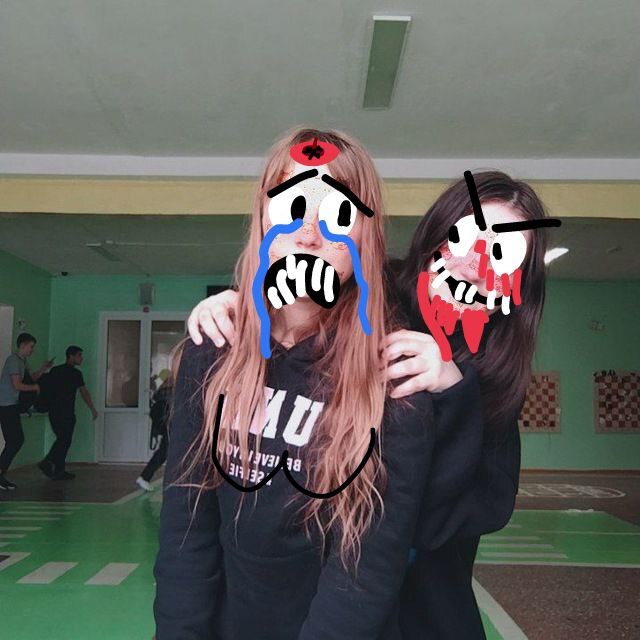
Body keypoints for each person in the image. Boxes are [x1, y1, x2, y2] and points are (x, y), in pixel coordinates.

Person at [186, 169, 554, 638]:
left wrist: (452, 391)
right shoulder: (368, 296)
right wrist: (236, 304)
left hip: (421, 616)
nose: (476, 261)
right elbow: (298, 293)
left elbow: (454, 516)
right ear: (437, 234)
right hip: (312, 601)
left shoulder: (492, 377)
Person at [153, 128, 485, 640]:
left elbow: (365, 571)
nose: (308, 234)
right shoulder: (211, 351)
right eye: (291, 206)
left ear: (366, 239)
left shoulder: (395, 379)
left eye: (337, 215)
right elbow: (185, 533)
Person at [0, 333, 53, 490]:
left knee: (15, 441)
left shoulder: (23, 361)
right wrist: (34, 388)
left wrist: (44, 368)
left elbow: (33, 377)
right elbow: (17, 385)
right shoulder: (13, 360)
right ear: (23, 345)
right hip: (6, 405)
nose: (32, 350)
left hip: (12, 406)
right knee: (15, 441)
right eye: (31, 346)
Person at [37, 346, 98, 481]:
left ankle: (59, 470)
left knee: (63, 440)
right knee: (64, 440)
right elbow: (84, 393)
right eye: (79, 355)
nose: (81, 358)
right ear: (71, 356)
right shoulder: (76, 374)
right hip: (67, 412)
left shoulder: (55, 370)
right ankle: (47, 462)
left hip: (53, 412)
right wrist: (92, 408)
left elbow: (44, 385)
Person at [136, 372, 173, 492]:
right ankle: (145, 477)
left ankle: (145, 477)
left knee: (163, 453)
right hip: (171, 425)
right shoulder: (171, 391)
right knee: (164, 453)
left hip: (167, 425)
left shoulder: (162, 391)